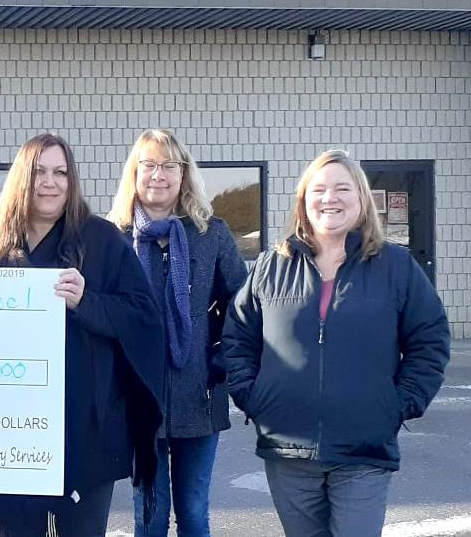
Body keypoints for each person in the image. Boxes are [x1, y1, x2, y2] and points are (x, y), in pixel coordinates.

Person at [224, 150, 450, 537]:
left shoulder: (396, 267)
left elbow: (429, 341)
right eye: (319, 189)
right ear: (304, 200)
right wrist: (254, 396)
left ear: (361, 198)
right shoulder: (270, 266)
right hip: (288, 447)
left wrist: (397, 404)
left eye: (343, 188)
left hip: (364, 449)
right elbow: (237, 338)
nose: (330, 198)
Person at [0, 134, 165, 537]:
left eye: (60, 172)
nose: (49, 182)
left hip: (85, 435)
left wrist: (88, 302)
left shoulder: (102, 241)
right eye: (39, 172)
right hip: (8, 432)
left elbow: (143, 318)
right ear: (22, 178)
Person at [106, 130, 248, 537]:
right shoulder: (113, 238)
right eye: (149, 165)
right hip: (138, 398)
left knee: (194, 512)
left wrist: (221, 357)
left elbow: (241, 303)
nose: (159, 175)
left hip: (200, 395)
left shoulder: (211, 233)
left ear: (184, 174)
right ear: (134, 174)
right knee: (149, 517)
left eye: (169, 165)